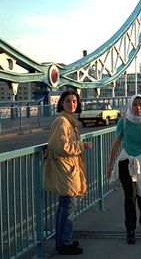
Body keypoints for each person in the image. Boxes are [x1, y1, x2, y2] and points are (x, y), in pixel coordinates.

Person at [44, 90, 93, 255]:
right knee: (69, 207)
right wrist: (81, 146)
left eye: (74, 101)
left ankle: (62, 240)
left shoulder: (69, 121)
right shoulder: (62, 122)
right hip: (66, 170)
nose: (71, 104)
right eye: (67, 101)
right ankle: (64, 243)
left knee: (64, 207)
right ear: (61, 104)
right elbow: (59, 146)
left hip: (68, 168)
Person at [106, 94, 141, 244]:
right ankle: (130, 229)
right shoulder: (123, 122)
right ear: (130, 106)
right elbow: (116, 144)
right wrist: (109, 166)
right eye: (135, 105)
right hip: (125, 160)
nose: (138, 108)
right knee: (130, 195)